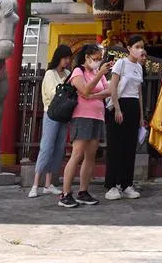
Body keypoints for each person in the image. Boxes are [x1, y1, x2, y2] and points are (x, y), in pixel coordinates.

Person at [58, 43, 114, 208]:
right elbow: (84, 90)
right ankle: (65, 193)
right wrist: (98, 77)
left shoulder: (98, 73)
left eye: (100, 58)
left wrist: (92, 95)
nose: (98, 61)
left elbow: (108, 91)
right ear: (87, 57)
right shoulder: (78, 71)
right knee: (77, 154)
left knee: (90, 156)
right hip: (82, 116)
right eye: (96, 58)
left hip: (97, 116)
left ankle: (83, 191)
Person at [103, 35, 146, 201]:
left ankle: (126, 184)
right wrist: (117, 109)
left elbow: (139, 93)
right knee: (115, 147)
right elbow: (113, 87)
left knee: (129, 147)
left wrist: (141, 116)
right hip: (119, 105)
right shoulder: (121, 63)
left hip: (133, 106)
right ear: (129, 48)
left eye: (142, 47)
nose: (140, 50)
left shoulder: (139, 67)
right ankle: (111, 185)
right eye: (137, 46)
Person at [29, 44, 74, 198]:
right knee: (46, 147)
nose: (67, 61)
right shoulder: (50, 74)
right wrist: (66, 90)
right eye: (65, 58)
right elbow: (51, 93)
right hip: (52, 113)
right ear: (58, 57)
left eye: (69, 58)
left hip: (64, 114)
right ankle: (35, 184)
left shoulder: (68, 73)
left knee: (59, 148)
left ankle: (49, 184)